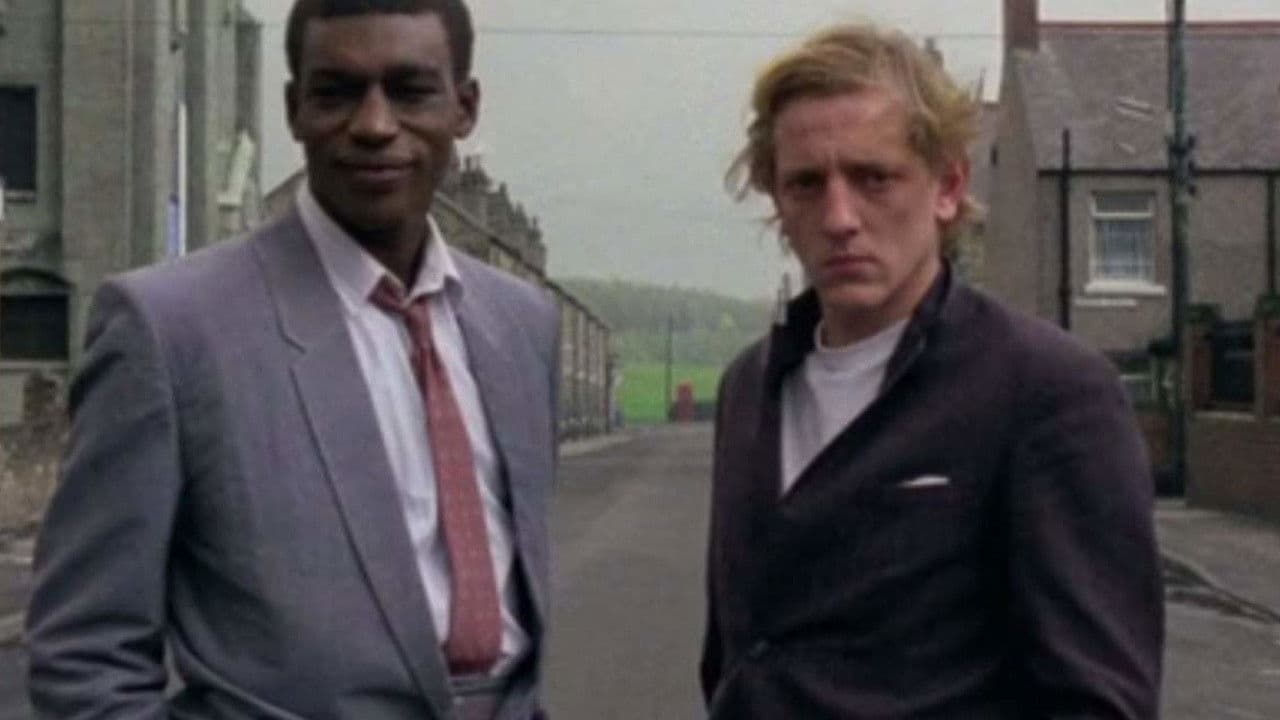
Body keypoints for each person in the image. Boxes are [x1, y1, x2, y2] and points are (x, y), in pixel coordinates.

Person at [26, 1, 559, 718]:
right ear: (293, 110)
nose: (374, 125)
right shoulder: (169, 329)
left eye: (409, 91)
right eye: (337, 92)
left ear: (464, 108)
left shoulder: (522, 325)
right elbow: (85, 654)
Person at [700, 24, 1163, 719]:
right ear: (777, 201)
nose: (839, 217)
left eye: (873, 177)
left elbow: (1099, 701)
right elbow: (739, 653)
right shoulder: (748, 386)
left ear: (947, 186)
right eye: (806, 184)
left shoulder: (1048, 391)